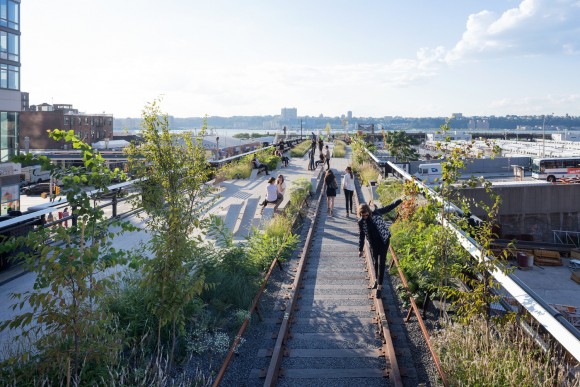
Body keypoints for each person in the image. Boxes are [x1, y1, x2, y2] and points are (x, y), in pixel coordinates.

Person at [357, 198, 403, 298]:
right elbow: (361, 235)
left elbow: (388, 208)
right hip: (373, 243)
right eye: (362, 215)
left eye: (366, 215)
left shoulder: (376, 213)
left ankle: (379, 287)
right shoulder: (361, 222)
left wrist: (399, 200)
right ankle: (377, 280)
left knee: (381, 262)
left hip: (383, 241)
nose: (364, 217)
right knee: (375, 263)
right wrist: (360, 249)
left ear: (368, 212)